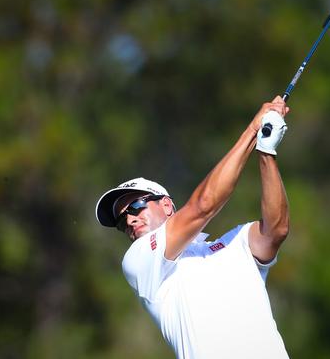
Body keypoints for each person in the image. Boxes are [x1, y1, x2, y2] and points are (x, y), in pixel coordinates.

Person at [95, 96, 291, 359]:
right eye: (121, 221)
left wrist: (266, 152)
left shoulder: (236, 244)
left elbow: (276, 231)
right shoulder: (139, 262)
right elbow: (204, 205)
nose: (129, 220)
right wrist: (253, 131)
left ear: (165, 205)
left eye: (135, 207)